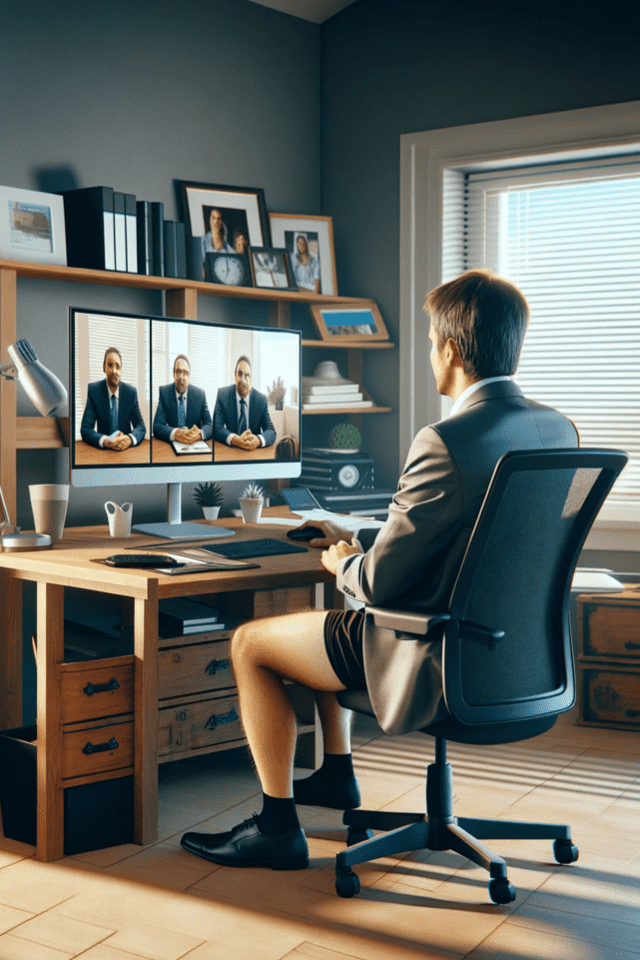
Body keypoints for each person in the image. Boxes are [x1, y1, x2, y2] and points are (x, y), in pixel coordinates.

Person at [181, 269, 579, 871]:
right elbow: (473, 542)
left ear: (449, 348)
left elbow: (380, 585)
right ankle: (336, 775)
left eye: (428, 340)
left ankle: (277, 827)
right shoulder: (555, 429)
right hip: (511, 660)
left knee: (251, 643)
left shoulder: (446, 440)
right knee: (321, 623)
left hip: (427, 653)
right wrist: (364, 537)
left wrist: (346, 560)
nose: (428, 352)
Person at [80, 346, 146, 450]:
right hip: (104, 452)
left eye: (118, 366)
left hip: (126, 451)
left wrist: (129, 439)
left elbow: (141, 427)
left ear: (121, 370)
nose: (114, 371)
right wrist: (106, 441)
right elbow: (86, 429)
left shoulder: (131, 393)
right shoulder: (94, 391)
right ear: (104, 368)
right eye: (110, 365)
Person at [213, 355, 276, 450]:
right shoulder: (223, 395)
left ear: (251, 379)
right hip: (231, 452)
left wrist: (258, 440)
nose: (243, 379)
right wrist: (236, 440)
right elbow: (216, 428)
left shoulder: (261, 400)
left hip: (252, 452)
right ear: (235, 376)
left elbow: (271, 431)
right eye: (240, 374)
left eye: (247, 375)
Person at [152, 354, 212, 445]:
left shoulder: (199, 394)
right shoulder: (165, 393)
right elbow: (157, 426)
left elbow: (210, 426)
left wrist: (200, 434)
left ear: (189, 376)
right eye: (178, 371)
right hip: (173, 446)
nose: (181, 377)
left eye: (186, 373)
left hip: (194, 445)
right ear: (173, 374)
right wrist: (176, 433)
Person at [201, 207, 234, 275]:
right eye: (214, 218)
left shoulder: (226, 245)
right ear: (210, 220)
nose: (216, 222)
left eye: (218, 219)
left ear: (221, 222)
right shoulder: (203, 241)